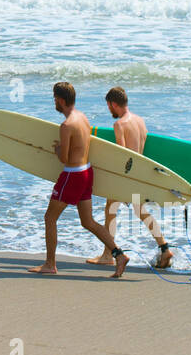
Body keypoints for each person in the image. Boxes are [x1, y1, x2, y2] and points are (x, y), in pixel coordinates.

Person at [27, 82, 129, 277]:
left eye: (55, 99)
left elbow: (65, 158)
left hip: (72, 175)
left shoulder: (66, 126)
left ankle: (50, 264)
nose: (54, 102)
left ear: (62, 100)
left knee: (50, 218)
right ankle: (119, 254)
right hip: (87, 172)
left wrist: (57, 150)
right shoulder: (82, 117)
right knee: (88, 221)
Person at [86, 87, 175, 269]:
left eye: (109, 106)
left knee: (110, 211)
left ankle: (107, 255)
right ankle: (164, 248)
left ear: (113, 104)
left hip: (126, 178)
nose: (109, 110)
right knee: (141, 212)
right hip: (139, 177)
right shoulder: (140, 121)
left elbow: (123, 156)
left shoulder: (120, 125)